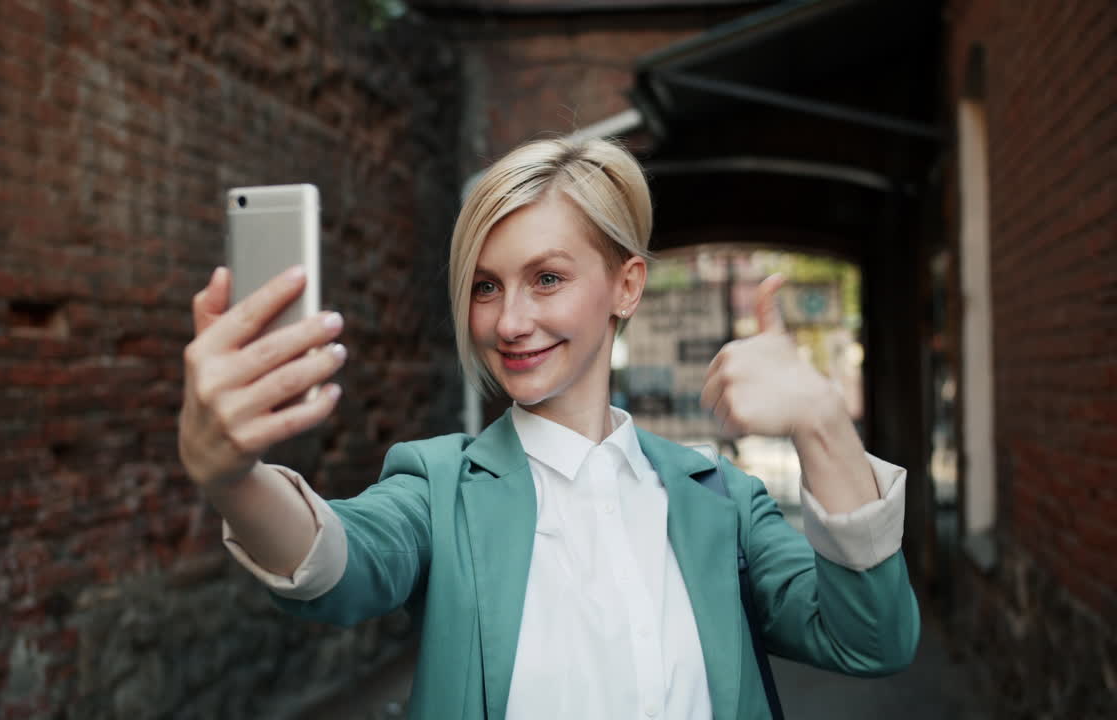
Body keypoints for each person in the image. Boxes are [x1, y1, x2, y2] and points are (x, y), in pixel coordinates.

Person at [178, 137, 919, 720]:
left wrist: (824, 423)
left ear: (626, 285)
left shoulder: (723, 499)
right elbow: (337, 566)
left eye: (548, 278)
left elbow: (871, 641)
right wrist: (233, 478)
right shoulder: (439, 487)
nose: (510, 322)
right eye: (486, 286)